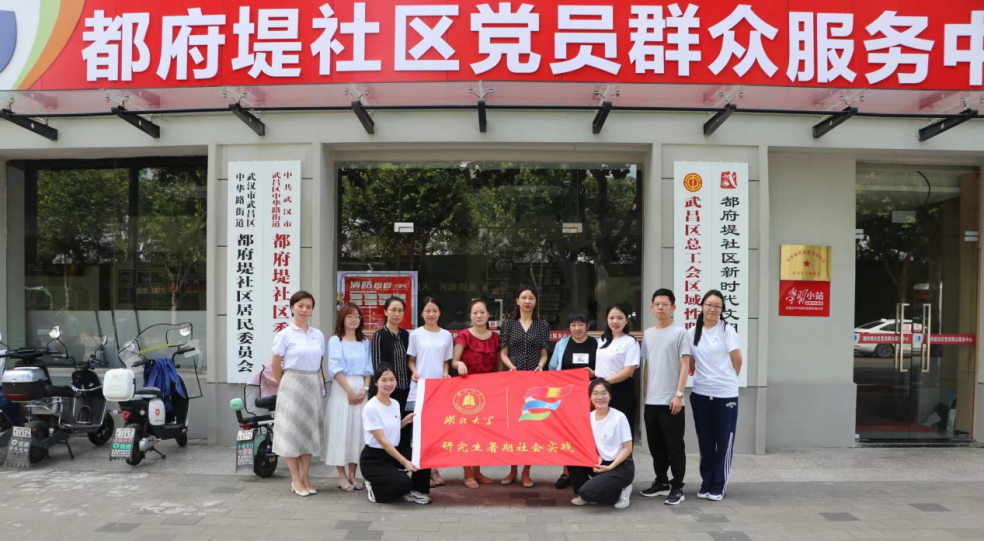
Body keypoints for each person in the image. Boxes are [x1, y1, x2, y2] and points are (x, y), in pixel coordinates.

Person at [270, 291, 325, 497]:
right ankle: (295, 478)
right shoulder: (285, 334)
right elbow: (276, 364)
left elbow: (320, 362)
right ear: (292, 307)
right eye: (300, 305)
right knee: (291, 432)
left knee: (308, 431)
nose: (304, 310)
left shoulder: (318, 334)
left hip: (312, 383)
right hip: (291, 383)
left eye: (308, 306)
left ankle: (305, 477)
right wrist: (284, 384)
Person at [689, 290, 743, 501]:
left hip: (725, 395)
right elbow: (691, 362)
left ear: (722, 310)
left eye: (717, 306)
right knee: (705, 441)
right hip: (701, 393)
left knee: (724, 440)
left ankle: (719, 484)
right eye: (709, 304)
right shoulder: (693, 331)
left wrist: (726, 381)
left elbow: (737, 360)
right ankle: (706, 482)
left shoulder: (726, 330)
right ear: (702, 306)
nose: (713, 309)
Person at [640, 289, 691, 505]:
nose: (660, 307)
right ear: (652, 308)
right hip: (652, 401)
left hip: (672, 401)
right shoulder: (649, 334)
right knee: (655, 445)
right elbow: (647, 365)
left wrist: (679, 394)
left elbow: (685, 365)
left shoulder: (680, 333)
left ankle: (677, 486)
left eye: (665, 304)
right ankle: (661, 482)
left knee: (674, 445)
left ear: (673, 307)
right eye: (657, 304)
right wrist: (645, 395)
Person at [498, 285, 550, 488]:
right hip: (513, 380)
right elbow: (503, 353)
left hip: (534, 382)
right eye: (524, 298)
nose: (527, 301)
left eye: (531, 298)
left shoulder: (542, 325)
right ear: (517, 301)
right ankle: (512, 470)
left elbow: (544, 354)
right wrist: (511, 366)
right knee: (513, 426)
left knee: (530, 426)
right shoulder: (508, 324)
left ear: (535, 302)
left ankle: (527, 472)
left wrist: (541, 365)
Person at [361, 364, 432, 505]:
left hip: (392, 454)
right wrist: (404, 461)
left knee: (423, 454)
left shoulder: (395, 403)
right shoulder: (371, 407)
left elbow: (390, 430)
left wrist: (404, 422)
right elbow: (383, 440)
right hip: (374, 459)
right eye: (384, 380)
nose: (389, 384)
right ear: (376, 382)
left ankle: (415, 490)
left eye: (392, 379)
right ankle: (375, 488)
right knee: (403, 484)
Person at [450, 299, 501, 489]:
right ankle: (467, 473)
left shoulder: (495, 337)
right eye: (475, 313)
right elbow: (454, 361)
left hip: (489, 389)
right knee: (467, 432)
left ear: (488, 314)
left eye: (482, 312)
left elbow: (499, 367)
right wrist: (460, 363)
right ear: (470, 316)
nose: (479, 316)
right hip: (467, 390)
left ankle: (477, 471)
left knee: (482, 432)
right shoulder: (465, 335)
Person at [324, 303, 374, 491]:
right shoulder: (335, 340)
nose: (354, 320)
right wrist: (349, 391)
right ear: (342, 319)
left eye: (357, 316)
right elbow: (335, 368)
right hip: (342, 388)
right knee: (341, 428)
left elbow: (369, 367)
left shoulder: (364, 342)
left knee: (358, 430)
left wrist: (365, 388)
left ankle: (353, 473)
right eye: (349, 316)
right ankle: (341, 475)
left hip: (361, 388)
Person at [407, 297, 454, 487]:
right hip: (420, 388)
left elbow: (446, 361)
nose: (431, 314)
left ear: (440, 313)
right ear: (422, 313)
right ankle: (420, 471)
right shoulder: (415, 334)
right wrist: (414, 372)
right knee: (418, 431)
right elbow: (411, 360)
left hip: (438, 389)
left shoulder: (446, 335)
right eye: (427, 311)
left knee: (435, 431)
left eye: (434, 310)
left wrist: (445, 373)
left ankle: (433, 470)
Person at [548, 312, 597, 489]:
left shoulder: (597, 344)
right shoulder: (562, 344)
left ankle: (593, 470)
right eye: (573, 325)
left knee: (591, 433)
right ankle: (567, 472)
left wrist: (594, 374)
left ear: (587, 326)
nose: (577, 328)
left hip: (592, 396)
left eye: (581, 324)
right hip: (568, 397)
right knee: (568, 434)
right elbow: (553, 368)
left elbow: (604, 368)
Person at [569, 378, 634, 509]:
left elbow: (628, 448)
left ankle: (623, 489)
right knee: (572, 457)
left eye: (604, 393)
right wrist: (597, 456)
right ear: (590, 397)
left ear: (610, 396)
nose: (600, 397)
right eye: (596, 393)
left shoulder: (619, 417)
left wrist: (610, 467)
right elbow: (588, 443)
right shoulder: (589, 417)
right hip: (601, 463)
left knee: (587, 492)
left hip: (621, 466)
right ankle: (587, 492)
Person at [370, 297, 413, 459]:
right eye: (393, 310)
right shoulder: (379, 335)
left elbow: (410, 361)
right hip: (388, 392)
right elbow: (378, 365)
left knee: (406, 429)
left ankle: (404, 465)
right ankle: (388, 465)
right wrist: (386, 386)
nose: (397, 314)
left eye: (400, 310)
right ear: (386, 312)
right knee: (388, 429)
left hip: (406, 390)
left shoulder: (406, 335)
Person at [595, 304, 641, 434]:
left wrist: (604, 381)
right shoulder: (602, 340)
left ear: (626, 321)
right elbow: (605, 364)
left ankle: (625, 449)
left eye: (620, 318)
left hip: (621, 389)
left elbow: (629, 371)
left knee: (622, 429)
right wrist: (594, 373)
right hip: (601, 389)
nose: (615, 322)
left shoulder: (630, 342)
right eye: (612, 318)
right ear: (607, 319)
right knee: (603, 428)